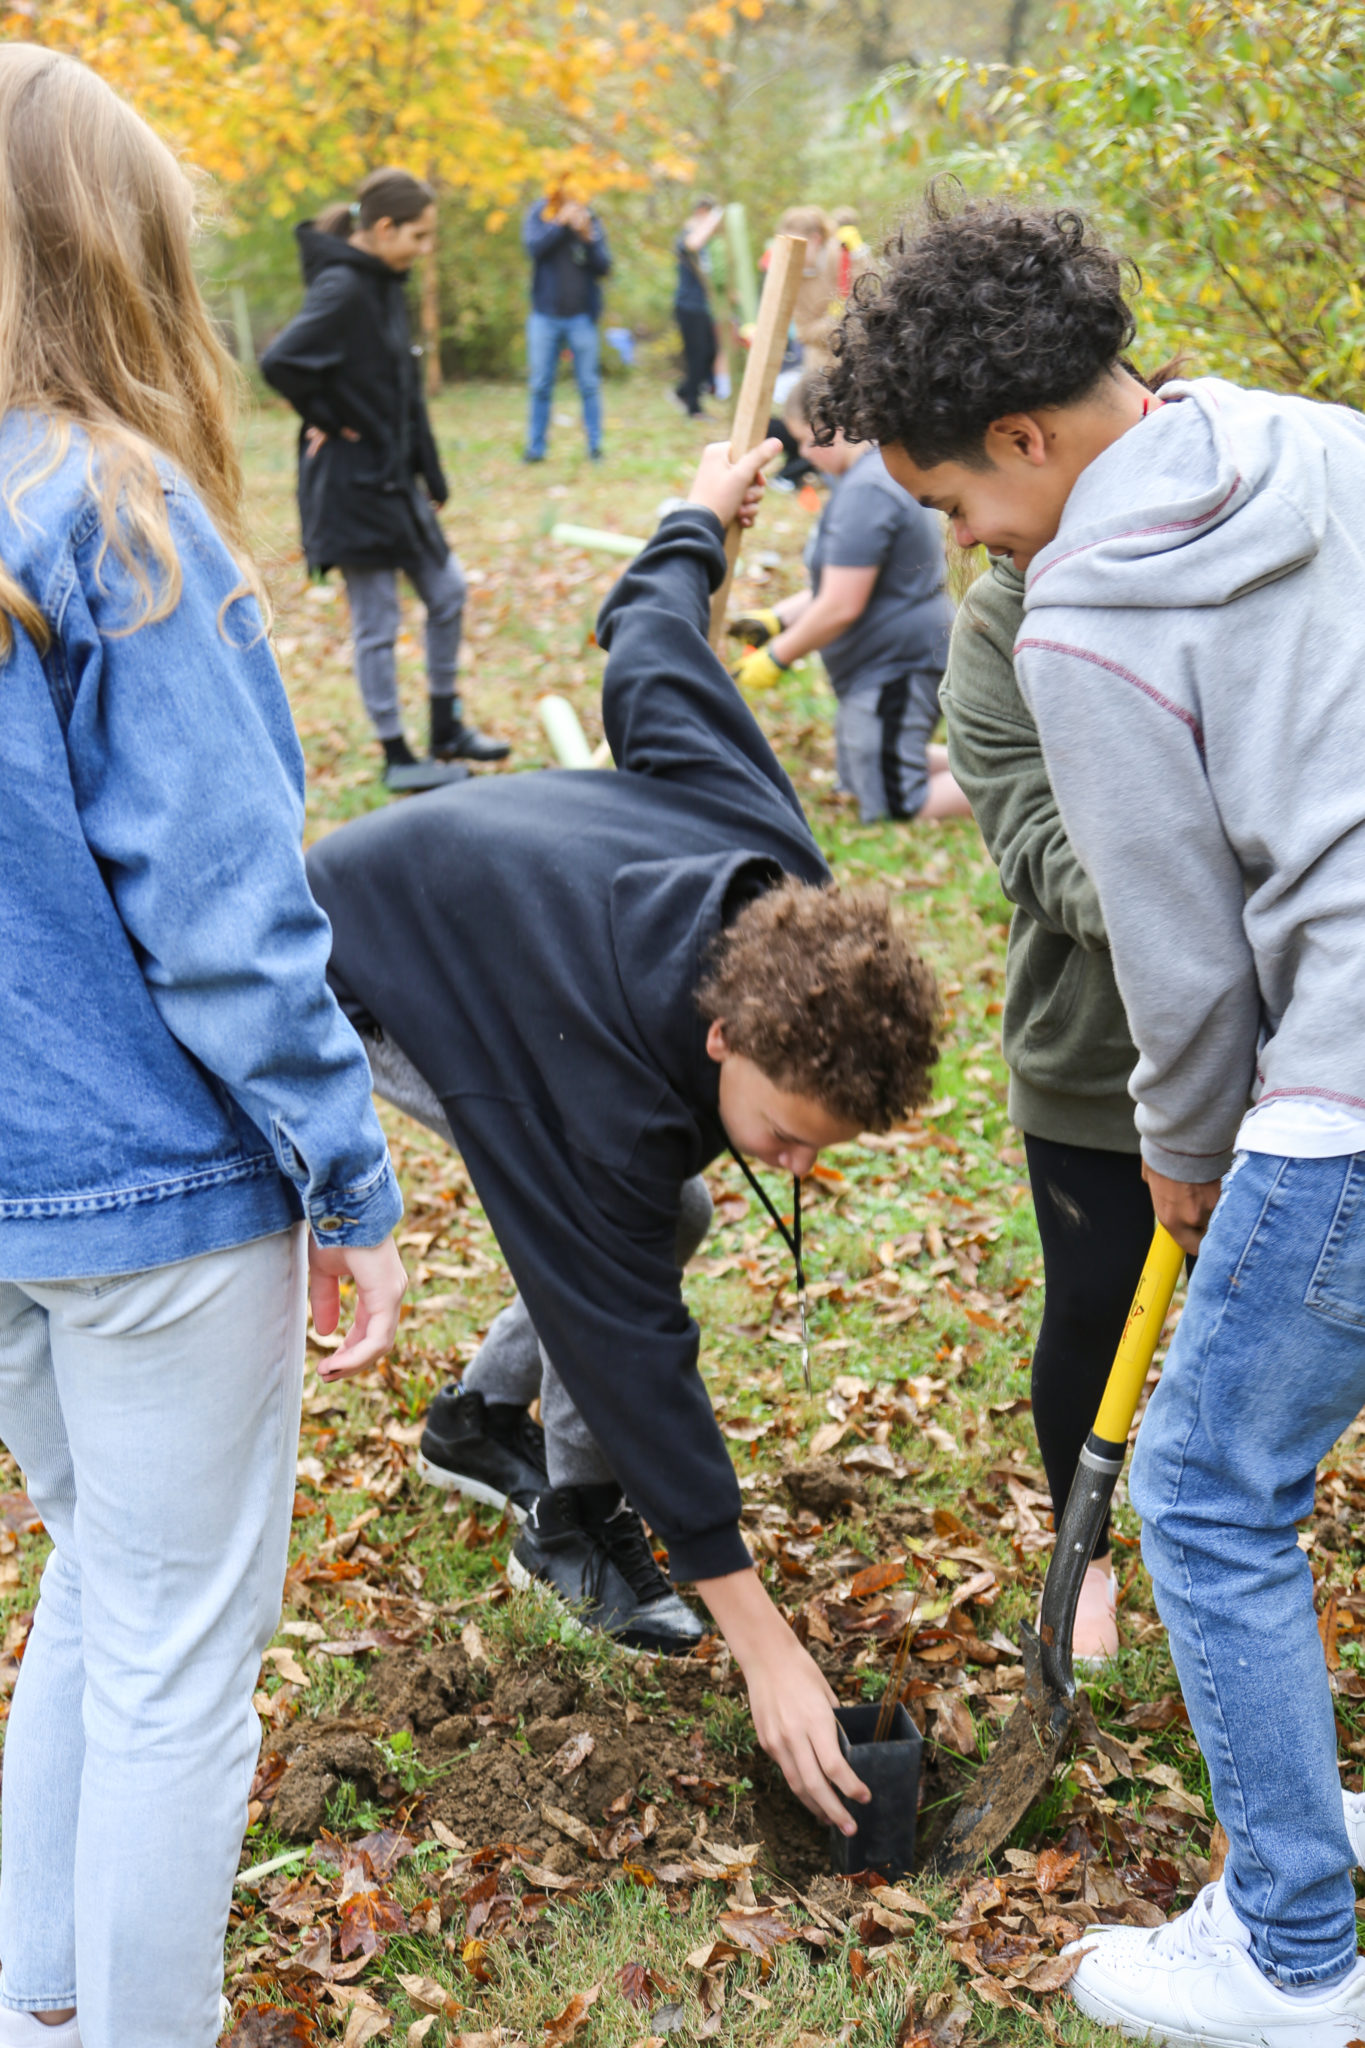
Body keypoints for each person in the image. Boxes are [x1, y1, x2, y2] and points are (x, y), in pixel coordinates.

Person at [817, 194, 1365, 2039]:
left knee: (1207, 1490)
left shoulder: (1085, 615)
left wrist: (1192, 1156)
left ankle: (1293, 1944)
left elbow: (1181, 959)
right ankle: (1314, 1816)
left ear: (1028, 439)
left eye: (958, 500)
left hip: (1345, 1069)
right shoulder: (1315, 441)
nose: (968, 540)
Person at [306, 436, 941, 1838]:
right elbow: (628, 1345)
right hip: (361, 963)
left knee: (670, 1216)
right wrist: (762, 1637)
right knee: (633, 1238)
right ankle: (564, 1517)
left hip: (482, 904)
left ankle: (477, 1422)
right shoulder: (591, 1091)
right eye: (784, 1132)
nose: (797, 1162)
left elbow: (651, 640)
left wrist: (697, 518)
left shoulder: (767, 858)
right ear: (723, 1034)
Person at [0, 46, 407, 2048]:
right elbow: (238, 926)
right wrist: (349, 1177)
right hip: (150, 1190)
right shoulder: (112, 513)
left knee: (99, 1585)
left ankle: (45, 2003)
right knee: (175, 1655)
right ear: (114, 249)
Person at [260, 169, 509, 794]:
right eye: (419, 237)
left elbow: (402, 390)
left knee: (446, 590)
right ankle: (399, 755)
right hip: (351, 486)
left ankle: (446, 728)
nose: (426, 250)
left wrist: (431, 470)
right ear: (384, 228)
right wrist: (331, 420)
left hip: (394, 479)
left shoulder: (384, 285)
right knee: (376, 620)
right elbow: (281, 361)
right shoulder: (344, 288)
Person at [729, 375, 970, 824]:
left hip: (898, 662)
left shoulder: (868, 491)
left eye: (805, 440)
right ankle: (982, 770)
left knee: (897, 802)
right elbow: (841, 584)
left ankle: (1025, 786)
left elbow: (841, 605)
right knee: (862, 778)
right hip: (877, 662)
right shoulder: (865, 475)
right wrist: (776, 619)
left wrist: (777, 657)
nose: (803, 454)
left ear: (832, 425)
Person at [522, 189, 612, 462]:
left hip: (581, 317)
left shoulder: (590, 217)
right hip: (544, 316)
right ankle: (536, 449)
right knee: (540, 384)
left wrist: (587, 238)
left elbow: (604, 266)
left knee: (588, 384)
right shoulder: (541, 212)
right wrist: (560, 224)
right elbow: (533, 248)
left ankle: (595, 448)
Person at [674, 196, 725, 417]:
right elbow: (692, 243)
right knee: (697, 355)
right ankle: (693, 407)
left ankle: (683, 391)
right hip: (688, 307)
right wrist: (714, 217)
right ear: (702, 212)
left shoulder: (707, 244)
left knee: (710, 352)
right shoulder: (686, 235)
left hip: (703, 307)